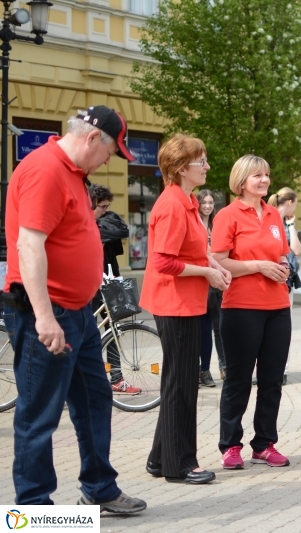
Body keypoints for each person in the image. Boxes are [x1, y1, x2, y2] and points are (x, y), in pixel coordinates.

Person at [3, 105, 146, 511]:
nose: (108, 162)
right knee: (39, 415)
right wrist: (45, 317)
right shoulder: (46, 169)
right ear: (92, 138)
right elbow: (29, 245)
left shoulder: (72, 173)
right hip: (49, 312)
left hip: (77, 312)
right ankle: (33, 511)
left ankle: (100, 489)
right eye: (110, 152)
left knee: (94, 401)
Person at [140, 134, 231, 484]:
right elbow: (164, 262)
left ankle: (160, 458)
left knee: (178, 382)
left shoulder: (188, 201)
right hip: (174, 303)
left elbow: (194, 250)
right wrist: (207, 273)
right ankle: (181, 464)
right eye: (201, 161)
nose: (207, 166)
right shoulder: (173, 205)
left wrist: (213, 265)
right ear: (181, 168)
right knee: (181, 385)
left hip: (185, 302)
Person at [212, 154, 293, 469]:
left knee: (272, 381)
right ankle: (231, 445)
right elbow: (218, 260)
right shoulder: (227, 215)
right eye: (257, 175)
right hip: (241, 307)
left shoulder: (273, 215)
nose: (264, 180)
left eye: (266, 175)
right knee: (238, 381)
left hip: (278, 308)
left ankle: (264, 444)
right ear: (242, 180)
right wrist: (258, 266)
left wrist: (283, 267)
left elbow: (281, 255)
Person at [91, 185, 140, 394]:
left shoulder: (105, 221)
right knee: (85, 333)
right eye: (102, 206)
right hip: (87, 285)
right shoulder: (79, 225)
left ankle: (116, 378)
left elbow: (121, 229)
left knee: (112, 330)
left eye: (107, 206)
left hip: (108, 280)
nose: (106, 210)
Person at [268, 187, 301, 386]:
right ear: (289, 203)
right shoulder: (268, 219)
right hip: (269, 277)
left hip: (285, 281)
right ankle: (270, 369)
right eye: (294, 205)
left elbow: (296, 250)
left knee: (282, 326)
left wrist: (291, 224)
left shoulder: (286, 224)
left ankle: (283, 370)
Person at [197, 189, 221, 387]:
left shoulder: (216, 225)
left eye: (210, 202)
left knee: (215, 329)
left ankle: (209, 369)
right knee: (200, 330)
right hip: (197, 280)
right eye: (204, 202)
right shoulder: (194, 223)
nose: (207, 206)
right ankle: (198, 370)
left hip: (215, 282)